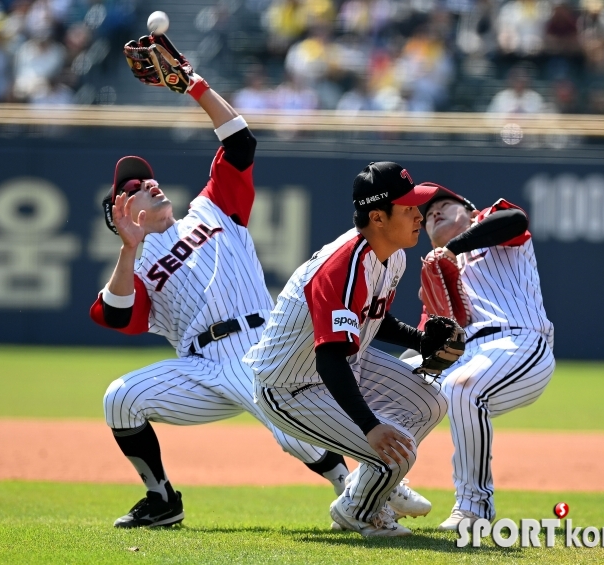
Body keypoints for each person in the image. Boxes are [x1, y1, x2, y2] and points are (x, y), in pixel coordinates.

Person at [89, 33, 349, 528]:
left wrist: (193, 85)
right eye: (133, 188)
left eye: (146, 178)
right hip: (202, 366)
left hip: (259, 341)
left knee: (290, 429)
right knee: (119, 398)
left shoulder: (211, 209)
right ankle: (162, 499)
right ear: (121, 212)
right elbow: (118, 314)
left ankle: (357, 490)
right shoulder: (136, 264)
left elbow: (240, 141)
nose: (148, 183)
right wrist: (128, 249)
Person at [244, 162, 461, 538]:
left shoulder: (392, 255)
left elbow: (375, 318)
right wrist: (370, 427)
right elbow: (329, 357)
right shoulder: (340, 267)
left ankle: (373, 484)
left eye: (417, 205)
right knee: (397, 450)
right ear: (378, 216)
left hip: (339, 364)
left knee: (432, 401)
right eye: (408, 207)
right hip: (290, 387)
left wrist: (420, 340)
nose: (418, 215)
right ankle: (360, 510)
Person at [405, 183, 555, 530]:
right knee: (391, 384)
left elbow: (515, 219)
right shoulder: (436, 273)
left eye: (443, 204)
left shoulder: (489, 224)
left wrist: (453, 247)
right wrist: (397, 369)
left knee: (463, 387)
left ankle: (474, 509)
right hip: (465, 355)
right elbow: (427, 341)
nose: (434, 213)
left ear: (471, 211)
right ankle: (367, 498)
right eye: (427, 216)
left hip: (519, 344)